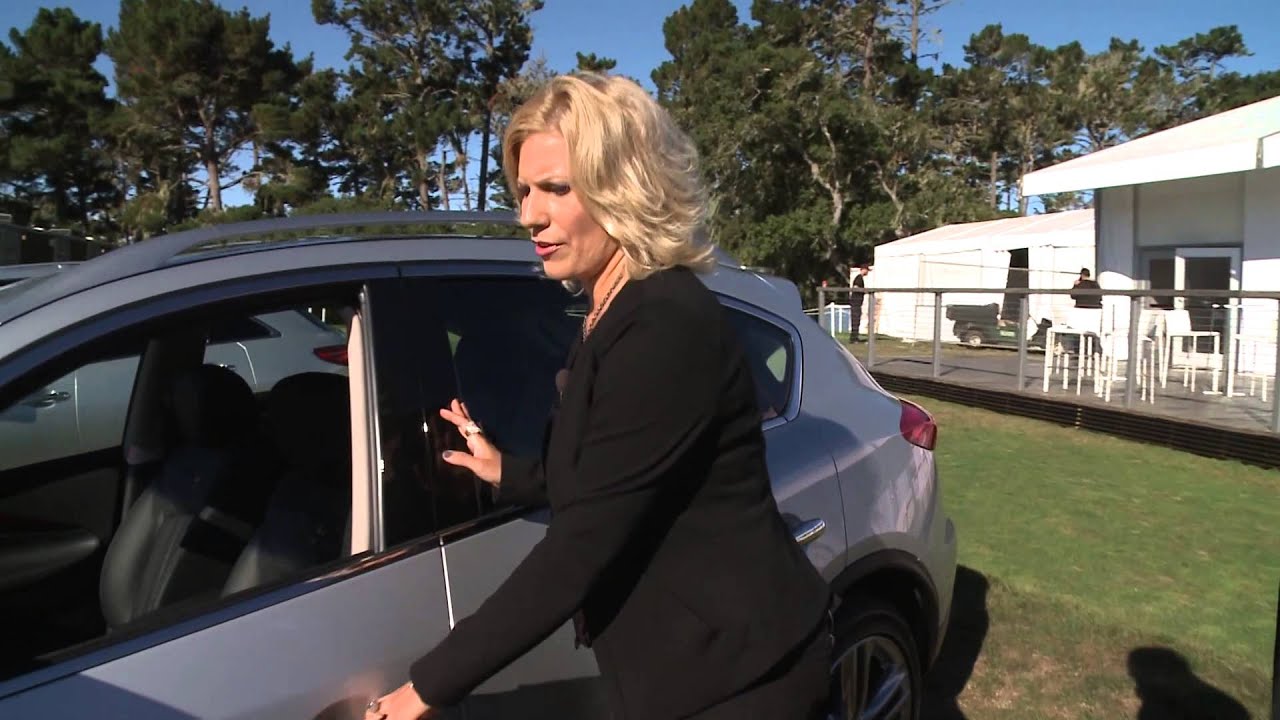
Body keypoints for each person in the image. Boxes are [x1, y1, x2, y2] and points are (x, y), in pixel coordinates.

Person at [364, 73, 833, 720]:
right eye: (525, 190)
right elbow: (603, 472)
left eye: (556, 188)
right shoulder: (610, 313)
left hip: (740, 680)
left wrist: (426, 687)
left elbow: (582, 546)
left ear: (624, 189)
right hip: (684, 675)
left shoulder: (665, 324)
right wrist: (509, 472)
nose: (529, 213)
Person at [848, 263, 871, 342]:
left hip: (857, 302)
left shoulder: (860, 278)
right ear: (864, 269)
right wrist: (862, 291)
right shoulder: (858, 278)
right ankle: (853, 338)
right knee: (855, 319)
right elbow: (855, 287)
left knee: (856, 320)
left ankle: (855, 337)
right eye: (867, 270)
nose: (867, 272)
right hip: (856, 302)